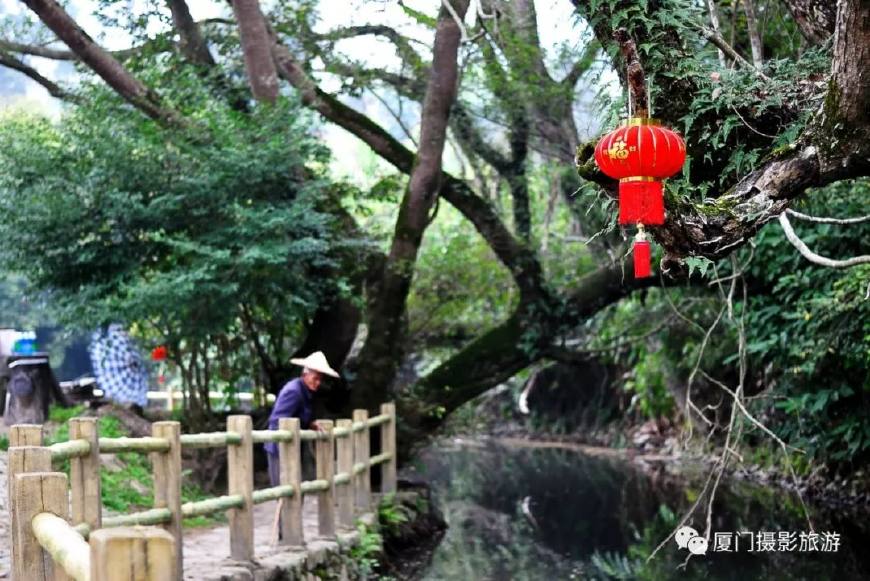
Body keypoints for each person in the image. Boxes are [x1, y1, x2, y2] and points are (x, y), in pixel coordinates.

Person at [265, 351, 340, 487]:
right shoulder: (294, 391)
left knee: (294, 489)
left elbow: (299, 416)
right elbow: (277, 421)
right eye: (315, 378)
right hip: (279, 448)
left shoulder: (306, 392)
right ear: (305, 374)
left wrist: (310, 424)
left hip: (292, 447)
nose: (318, 383)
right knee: (283, 489)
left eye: (320, 379)